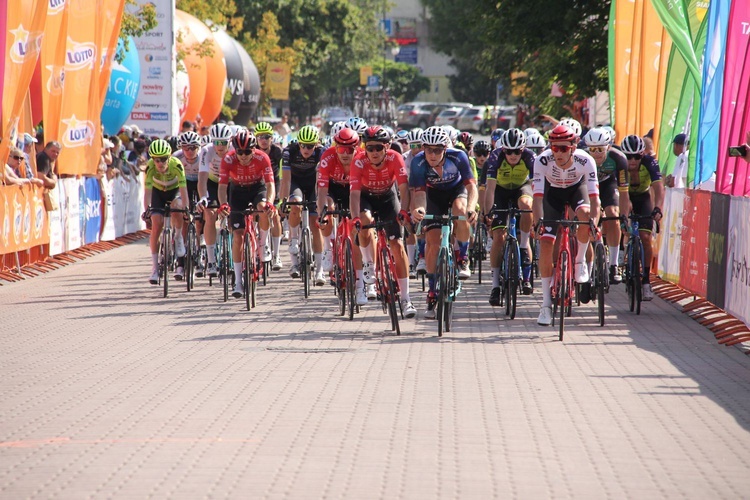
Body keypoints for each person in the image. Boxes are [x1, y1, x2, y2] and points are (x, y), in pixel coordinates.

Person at [532, 124, 600, 326]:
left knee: (585, 215)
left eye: (563, 148)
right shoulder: (542, 161)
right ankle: (545, 305)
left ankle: (579, 261)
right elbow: (537, 199)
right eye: (554, 148)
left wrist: (594, 224)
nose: (558, 153)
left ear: (574, 146)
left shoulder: (585, 160)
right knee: (545, 243)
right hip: (552, 195)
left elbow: (595, 199)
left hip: (575, 190)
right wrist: (538, 224)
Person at [410, 126, 478, 319]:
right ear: (423, 148)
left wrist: (472, 207)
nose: (432, 154)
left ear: (445, 148)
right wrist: (419, 210)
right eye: (428, 149)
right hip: (433, 196)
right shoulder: (418, 162)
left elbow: (471, 186)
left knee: (461, 210)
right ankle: (432, 291)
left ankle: (463, 257)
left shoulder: (459, 157)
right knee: (433, 243)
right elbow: (420, 194)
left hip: (456, 191)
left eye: (438, 150)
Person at [350, 125, 417, 318]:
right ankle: (370, 264)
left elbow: (404, 189)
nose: (374, 152)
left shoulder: (395, 158)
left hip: (388, 198)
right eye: (369, 148)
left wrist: (404, 211)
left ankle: (406, 298)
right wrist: (355, 217)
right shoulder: (359, 161)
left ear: (386, 147)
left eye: (378, 148)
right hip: (366, 197)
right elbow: (354, 194)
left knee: (397, 244)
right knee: (364, 221)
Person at [217, 130, 276, 299]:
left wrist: (271, 202)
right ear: (235, 150)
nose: (243, 156)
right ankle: (237, 281)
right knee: (237, 236)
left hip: (258, 188)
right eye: (240, 152)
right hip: (237, 192)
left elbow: (270, 184)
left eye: (247, 152)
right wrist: (223, 205)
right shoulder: (228, 159)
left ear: (253, 149)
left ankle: (263, 244)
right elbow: (222, 188)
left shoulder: (262, 157)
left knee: (263, 207)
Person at [484, 128, 536, 303]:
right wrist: (487, 213)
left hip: (522, 187)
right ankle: (495, 286)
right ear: (503, 150)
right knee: (499, 236)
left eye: (517, 151)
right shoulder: (495, 157)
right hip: (501, 191)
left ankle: (523, 245)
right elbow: (490, 189)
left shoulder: (530, 157)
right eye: (509, 151)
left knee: (527, 205)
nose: (513, 155)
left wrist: (537, 214)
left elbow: (538, 188)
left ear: (523, 150)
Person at [316, 127, 364, 301]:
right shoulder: (327, 158)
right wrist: (322, 214)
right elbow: (321, 192)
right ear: (335, 147)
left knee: (355, 230)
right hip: (334, 189)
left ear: (356, 148)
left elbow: (360, 192)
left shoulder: (361, 158)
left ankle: (360, 285)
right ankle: (329, 249)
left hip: (354, 190)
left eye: (349, 150)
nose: (345, 154)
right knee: (327, 207)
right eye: (341, 149)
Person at [279, 125, 326, 284]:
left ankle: (320, 270)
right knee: (295, 204)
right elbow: (285, 180)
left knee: (315, 225)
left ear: (316, 144)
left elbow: (321, 182)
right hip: (295, 183)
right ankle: (293, 240)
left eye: (310, 146)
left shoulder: (321, 152)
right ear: (298, 144)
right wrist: (283, 201)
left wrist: (320, 204)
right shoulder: (289, 151)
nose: (306, 149)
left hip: (313, 184)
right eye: (303, 145)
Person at [584, 127, 629, 285]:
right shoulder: (582, 157)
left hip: (608, 185)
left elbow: (624, 192)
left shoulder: (619, 159)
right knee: (585, 218)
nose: (596, 153)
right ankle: (586, 264)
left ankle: (613, 265)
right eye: (592, 149)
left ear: (608, 147)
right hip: (587, 186)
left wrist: (624, 217)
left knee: (613, 214)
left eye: (600, 149)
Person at [621, 134, 664, 301]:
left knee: (646, 237)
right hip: (625, 196)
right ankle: (621, 251)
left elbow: (659, 188)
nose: (632, 160)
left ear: (643, 155)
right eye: (628, 157)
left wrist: (658, 208)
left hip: (644, 197)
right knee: (624, 223)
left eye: (636, 156)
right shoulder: (621, 165)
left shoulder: (650, 163)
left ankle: (646, 281)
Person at [142, 139, 189, 284]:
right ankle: (155, 268)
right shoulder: (149, 167)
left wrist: (185, 208)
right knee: (157, 225)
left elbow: (183, 190)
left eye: (163, 159)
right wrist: (147, 210)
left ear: (169, 157)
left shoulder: (177, 165)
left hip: (174, 191)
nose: (160, 163)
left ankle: (179, 237)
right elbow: (147, 192)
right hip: (158, 192)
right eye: (156, 160)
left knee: (178, 208)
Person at [197, 123, 234, 278]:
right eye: (216, 142)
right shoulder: (206, 151)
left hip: (232, 183)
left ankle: (234, 254)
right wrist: (203, 197)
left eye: (223, 142)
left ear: (229, 141)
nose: (220, 146)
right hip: (213, 183)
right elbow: (202, 179)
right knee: (209, 215)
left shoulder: (234, 151)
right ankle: (211, 260)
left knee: (235, 215)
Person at [254, 121, 285, 270]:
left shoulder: (277, 152)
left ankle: (277, 255)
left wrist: (282, 196)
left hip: (274, 182)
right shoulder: (251, 151)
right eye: (260, 137)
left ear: (272, 138)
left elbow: (283, 175)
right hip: (258, 183)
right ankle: (260, 241)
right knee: (257, 212)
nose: (264, 140)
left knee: (275, 215)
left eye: (267, 136)